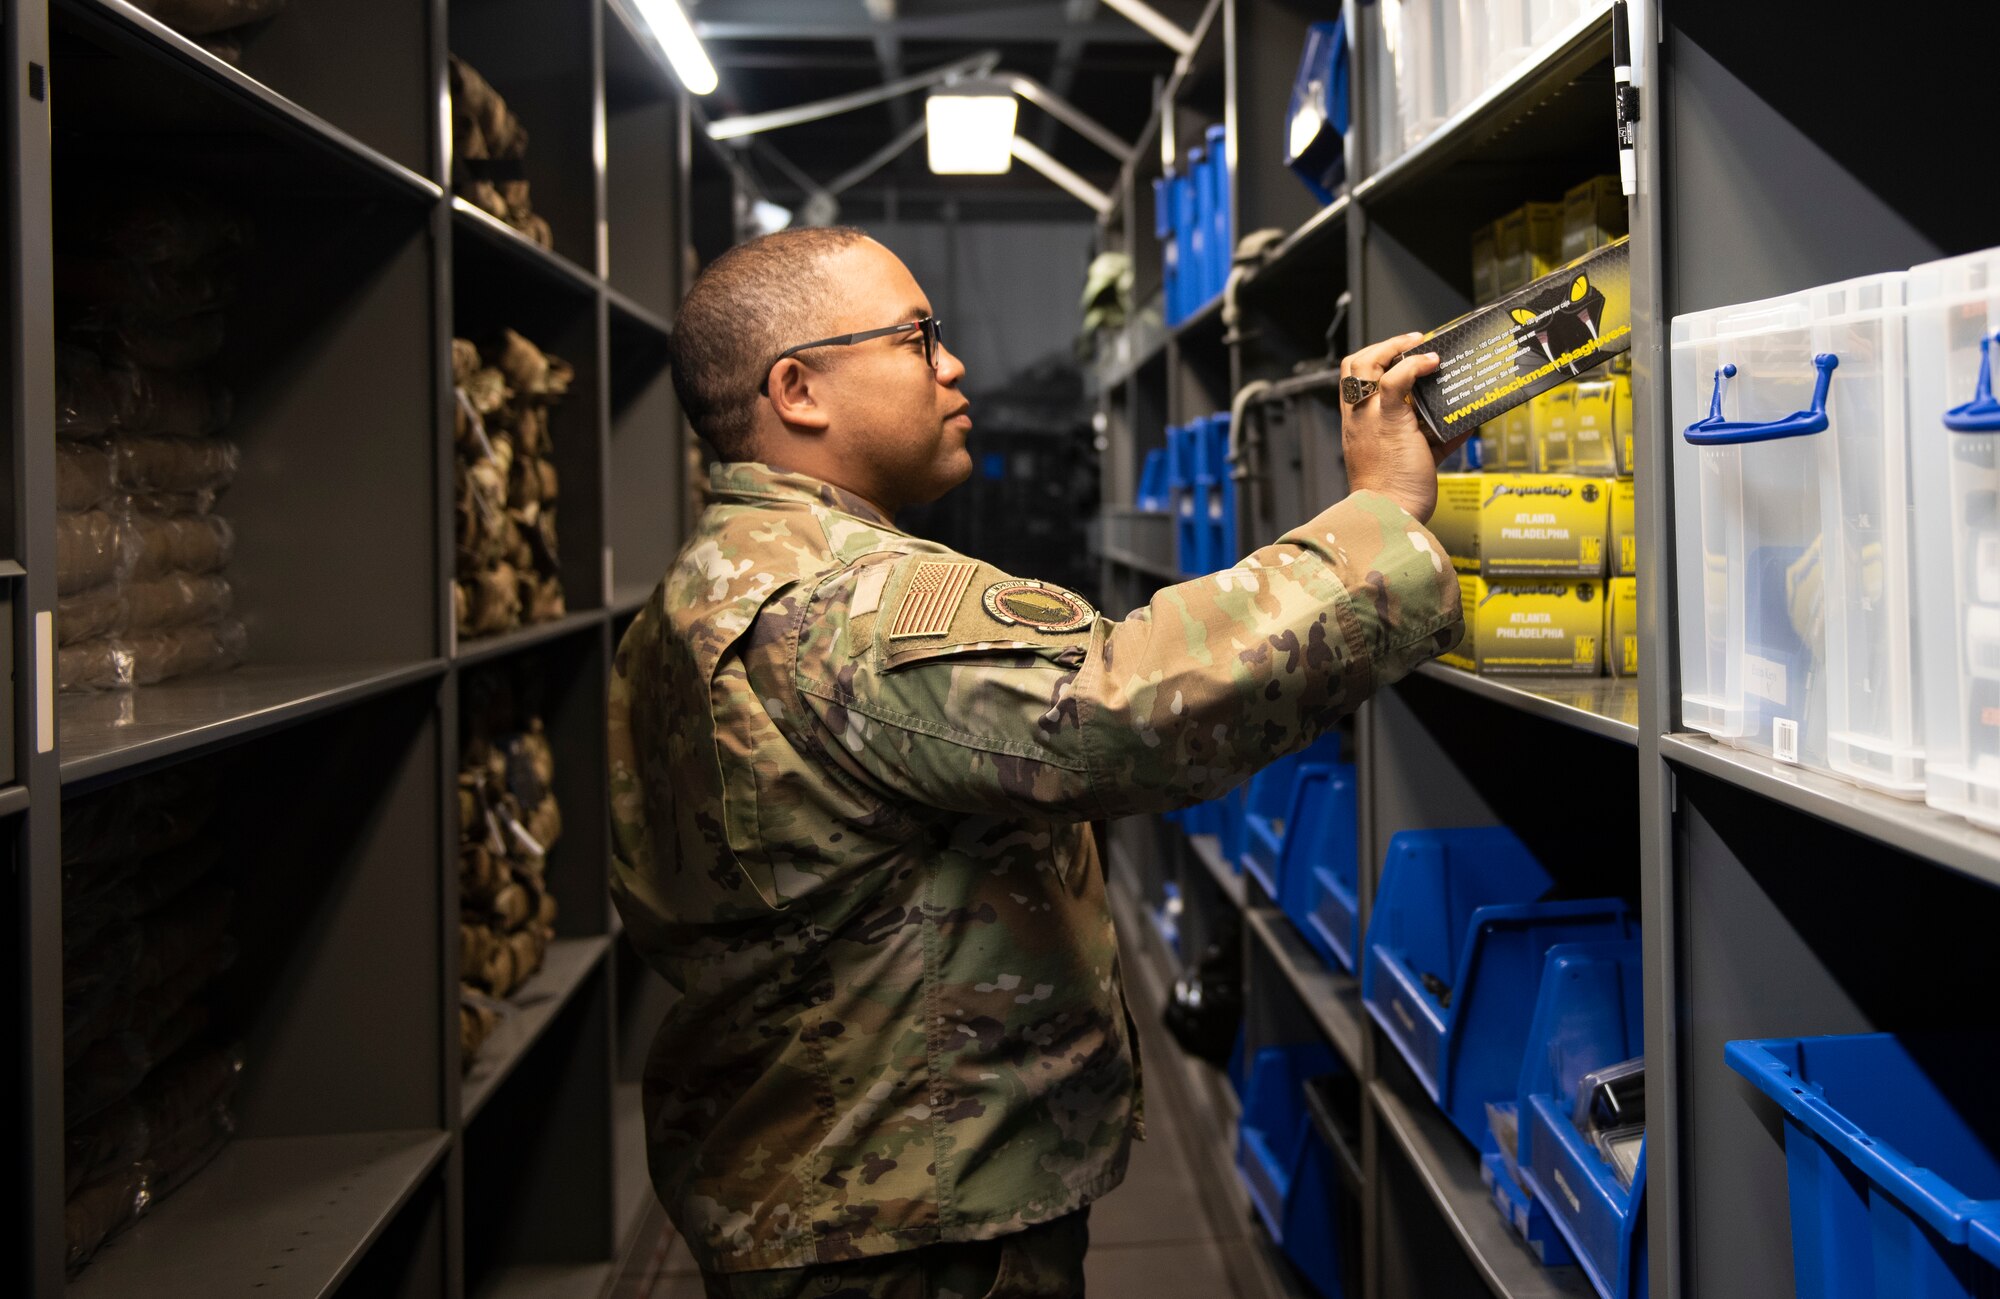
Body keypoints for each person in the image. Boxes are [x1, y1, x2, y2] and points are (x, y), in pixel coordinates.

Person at [609, 227, 1465, 1299]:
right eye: (918, 338)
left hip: (805, 1179)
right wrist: (1374, 517)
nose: (953, 363)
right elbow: (1119, 709)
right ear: (798, 389)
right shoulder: (841, 604)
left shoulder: (702, 585)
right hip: (910, 1231)